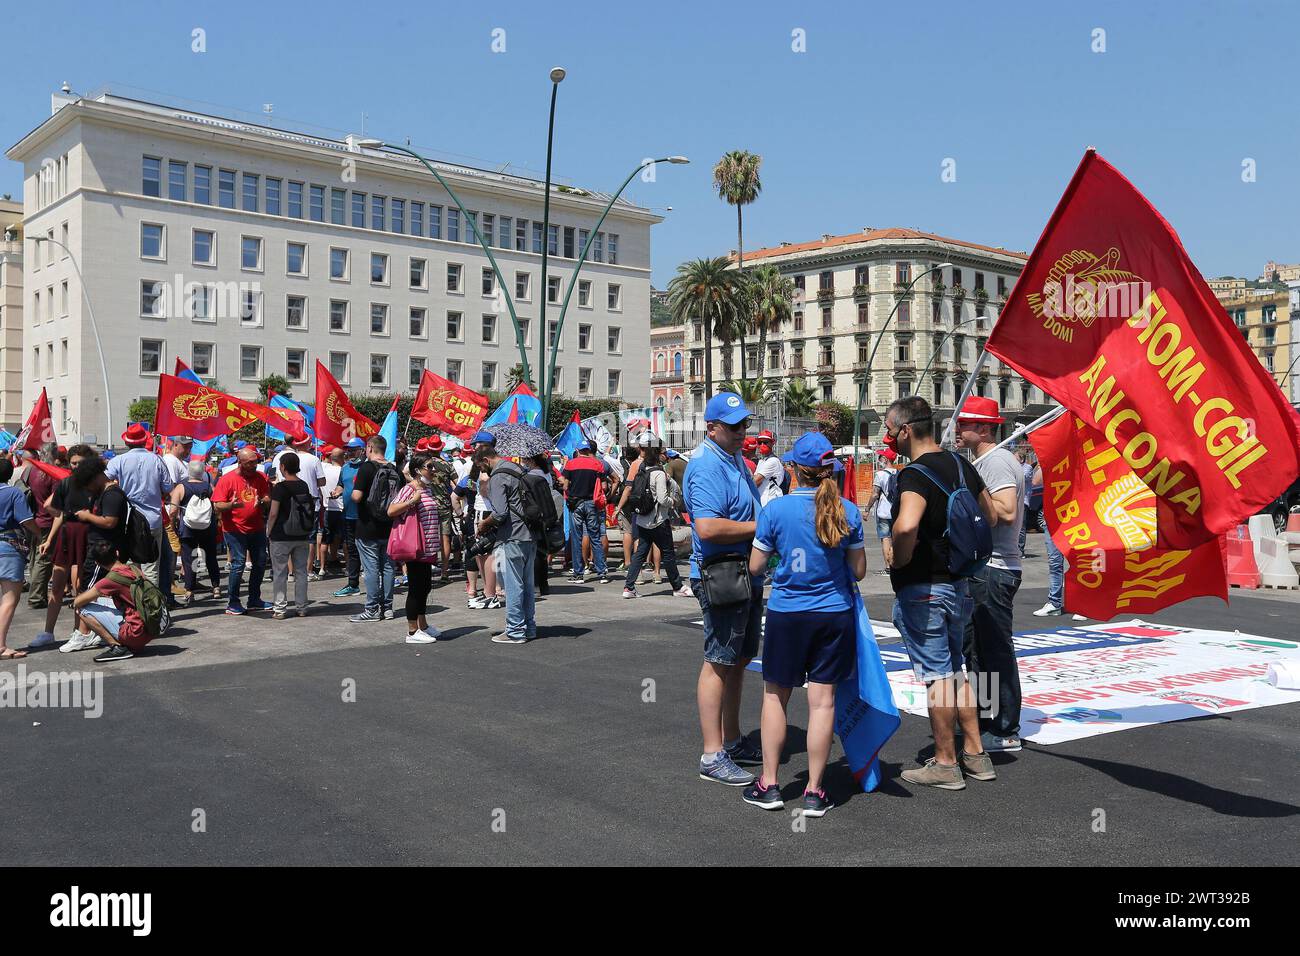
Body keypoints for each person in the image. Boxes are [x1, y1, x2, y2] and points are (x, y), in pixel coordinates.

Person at [743, 432, 867, 816]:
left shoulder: (776, 511)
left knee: (775, 697)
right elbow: (858, 571)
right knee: (823, 702)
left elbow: (755, 567)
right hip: (833, 614)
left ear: (794, 469)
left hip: (787, 614)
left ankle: (770, 784)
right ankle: (815, 791)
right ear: (829, 470)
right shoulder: (847, 510)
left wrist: (784, 562)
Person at [885, 395, 997, 790]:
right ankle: (976, 754)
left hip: (924, 588)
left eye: (889, 429)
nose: (888, 437)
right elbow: (994, 514)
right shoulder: (961, 465)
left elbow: (905, 526)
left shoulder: (914, 474)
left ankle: (946, 763)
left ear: (905, 430)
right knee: (956, 670)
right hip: (959, 583)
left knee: (937, 677)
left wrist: (898, 559)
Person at [684, 391, 764, 787]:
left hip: (742, 571)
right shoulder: (706, 466)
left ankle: (730, 740)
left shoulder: (731, 458)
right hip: (721, 574)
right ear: (711, 427)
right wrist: (764, 529)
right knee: (719, 659)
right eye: (734, 426)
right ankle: (712, 752)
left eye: (744, 424)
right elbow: (708, 527)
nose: (742, 432)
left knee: (736, 659)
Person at [955, 396, 1025, 753]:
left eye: (965, 423)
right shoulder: (986, 460)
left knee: (995, 649)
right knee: (977, 650)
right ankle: (986, 718)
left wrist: (973, 493)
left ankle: (1006, 727)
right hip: (986, 568)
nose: (958, 427)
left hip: (996, 569)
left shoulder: (995, 461)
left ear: (984, 428)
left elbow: (1008, 511)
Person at [32, 444, 94, 650]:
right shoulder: (66, 483)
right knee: (57, 586)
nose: (76, 466)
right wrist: (49, 539)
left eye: (80, 463)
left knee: (79, 587)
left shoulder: (96, 483)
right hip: (66, 535)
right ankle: (48, 632)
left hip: (86, 536)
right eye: (73, 463)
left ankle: (79, 632)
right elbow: (56, 511)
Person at [477, 444, 537, 644]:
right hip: (530, 535)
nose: (481, 470)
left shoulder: (497, 477)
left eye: (480, 466)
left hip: (511, 537)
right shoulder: (519, 469)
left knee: (513, 586)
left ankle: (514, 631)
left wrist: (484, 524)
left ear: (486, 460)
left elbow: (500, 513)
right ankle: (529, 627)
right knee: (527, 585)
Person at [107, 423, 175, 586]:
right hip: (152, 520)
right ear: (145, 441)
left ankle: (134, 604)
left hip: (128, 521)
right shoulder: (157, 460)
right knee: (151, 568)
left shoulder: (118, 461)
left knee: (131, 567)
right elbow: (168, 488)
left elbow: (104, 481)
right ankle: (150, 605)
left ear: (126, 442)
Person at [622, 444, 692, 599]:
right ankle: (677, 587)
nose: (665, 455)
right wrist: (672, 502)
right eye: (663, 453)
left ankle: (629, 587)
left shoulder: (642, 470)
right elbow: (662, 498)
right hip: (658, 520)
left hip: (642, 519)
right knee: (668, 553)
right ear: (657, 456)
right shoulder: (659, 474)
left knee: (640, 553)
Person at [386, 452, 443, 643]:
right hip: (415, 546)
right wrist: (412, 502)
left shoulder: (426, 488)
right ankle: (412, 631)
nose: (434, 470)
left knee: (425, 587)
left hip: (427, 547)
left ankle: (423, 626)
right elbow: (391, 510)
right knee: (416, 588)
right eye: (430, 467)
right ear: (418, 470)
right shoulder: (410, 489)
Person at [71, 538, 152, 664]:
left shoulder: (111, 580)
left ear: (97, 563)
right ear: (117, 553)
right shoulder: (134, 569)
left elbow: (78, 601)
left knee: (82, 608)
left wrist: (73, 603)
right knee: (101, 601)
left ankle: (116, 646)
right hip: (149, 629)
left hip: (135, 634)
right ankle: (124, 640)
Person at [212, 447, 271, 615]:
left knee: (260, 562)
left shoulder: (260, 477)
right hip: (234, 529)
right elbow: (217, 505)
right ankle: (233, 602)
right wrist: (231, 505)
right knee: (238, 563)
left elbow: (267, 497)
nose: (254, 465)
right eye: (250, 463)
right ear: (240, 462)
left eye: (256, 462)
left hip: (257, 527)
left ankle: (254, 599)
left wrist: (263, 501)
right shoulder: (227, 480)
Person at [350, 435, 397, 622]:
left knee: (371, 570)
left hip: (367, 526)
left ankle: (371, 609)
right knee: (388, 568)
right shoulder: (394, 469)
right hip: (389, 526)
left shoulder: (366, 468)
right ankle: (388, 608)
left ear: (369, 447)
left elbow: (356, 496)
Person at [266, 452, 314, 620]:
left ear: (283, 467)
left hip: (281, 535)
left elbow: (273, 513)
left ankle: (280, 609)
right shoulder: (304, 485)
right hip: (301, 534)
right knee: (301, 572)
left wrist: (268, 531)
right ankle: (302, 607)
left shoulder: (280, 488)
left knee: (280, 573)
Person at [0, 458, 39, 660]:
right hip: (7, 546)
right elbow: (26, 520)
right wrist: (40, 534)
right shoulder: (13, 492)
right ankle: (0, 646)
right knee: (9, 599)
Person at [273, 432, 326, 579]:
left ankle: (291, 572)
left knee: (289, 536)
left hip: (287, 501)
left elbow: (276, 478)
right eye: (309, 442)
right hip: (309, 503)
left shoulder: (283, 458)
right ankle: (307, 571)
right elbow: (322, 482)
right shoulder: (314, 459)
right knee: (309, 538)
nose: (311, 444)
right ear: (305, 443)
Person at [173, 459, 222, 603]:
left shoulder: (181, 487)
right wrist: (218, 522)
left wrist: (173, 524)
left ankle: (189, 590)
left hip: (188, 528)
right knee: (211, 557)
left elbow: (173, 510)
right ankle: (216, 587)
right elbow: (217, 507)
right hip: (207, 527)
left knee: (189, 559)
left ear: (189, 472)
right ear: (203, 472)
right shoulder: (209, 486)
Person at [563, 441, 609, 584]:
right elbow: (604, 486)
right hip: (592, 503)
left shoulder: (570, 464)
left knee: (577, 538)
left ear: (577, 449)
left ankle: (578, 573)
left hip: (575, 504)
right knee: (595, 536)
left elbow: (565, 485)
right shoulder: (597, 464)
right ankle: (602, 572)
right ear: (589, 450)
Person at [22, 446, 58, 610]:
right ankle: (36, 597)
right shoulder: (51, 475)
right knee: (43, 560)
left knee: (36, 558)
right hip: (48, 521)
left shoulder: (31, 471)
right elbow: (55, 503)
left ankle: (36, 593)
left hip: (34, 519)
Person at [332, 438, 365, 597]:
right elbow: (341, 485)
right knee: (351, 550)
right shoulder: (345, 468)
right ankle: (353, 584)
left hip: (365, 516)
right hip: (348, 515)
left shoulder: (367, 467)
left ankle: (377, 581)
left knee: (368, 549)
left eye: (353, 449)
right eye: (348, 449)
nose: (350, 452)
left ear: (362, 450)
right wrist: (336, 491)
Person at [866, 447, 898, 574]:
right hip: (896, 511)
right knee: (895, 539)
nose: (879, 460)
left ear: (885, 459)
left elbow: (875, 494)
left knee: (885, 538)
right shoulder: (899, 473)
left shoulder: (880, 474)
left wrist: (867, 509)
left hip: (883, 512)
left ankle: (888, 567)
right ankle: (896, 564)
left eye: (880, 457)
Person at [753, 431, 785, 507]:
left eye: (765, 442)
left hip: (770, 502)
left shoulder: (773, 461)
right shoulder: (762, 460)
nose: (762, 445)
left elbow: (755, 481)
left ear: (772, 442)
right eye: (760, 442)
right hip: (763, 501)